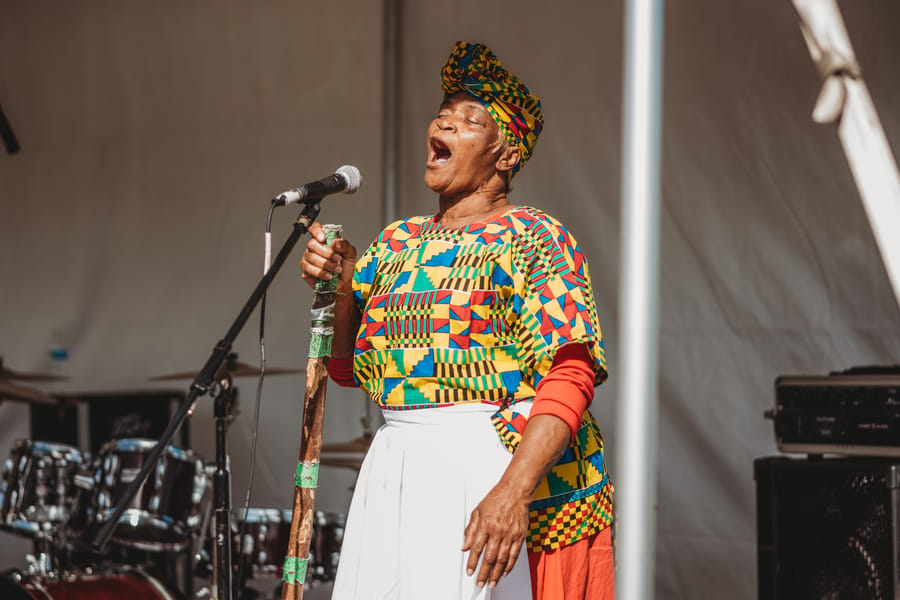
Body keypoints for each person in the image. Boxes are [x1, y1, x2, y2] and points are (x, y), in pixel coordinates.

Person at [300, 40, 615, 600]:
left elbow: (571, 373)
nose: (445, 120)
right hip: (396, 467)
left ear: (506, 153)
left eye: (470, 118)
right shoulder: (397, 242)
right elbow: (349, 371)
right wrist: (342, 289)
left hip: (485, 468)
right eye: (444, 112)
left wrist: (512, 493)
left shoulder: (533, 236)